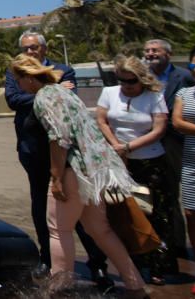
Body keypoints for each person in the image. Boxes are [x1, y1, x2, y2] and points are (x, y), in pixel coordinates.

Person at [9, 54, 147, 298]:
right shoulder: (63, 92)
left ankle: (59, 290)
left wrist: (57, 177)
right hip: (97, 168)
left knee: (58, 230)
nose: (17, 84)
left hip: (75, 170)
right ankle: (135, 284)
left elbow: (59, 138)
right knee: (100, 230)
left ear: (29, 78)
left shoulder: (44, 97)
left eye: (18, 79)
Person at [3, 31, 111, 289]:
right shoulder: (15, 72)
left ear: (44, 48)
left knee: (80, 206)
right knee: (41, 204)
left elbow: (69, 99)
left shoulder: (64, 69)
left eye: (34, 47)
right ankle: (46, 257)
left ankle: (97, 262)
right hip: (32, 148)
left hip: (67, 151)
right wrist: (52, 90)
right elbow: (13, 100)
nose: (31, 52)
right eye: (26, 48)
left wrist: (43, 92)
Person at [95, 55, 173, 283]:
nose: (126, 86)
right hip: (118, 162)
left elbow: (159, 129)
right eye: (122, 80)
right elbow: (101, 120)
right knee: (125, 212)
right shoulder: (109, 93)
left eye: (131, 81)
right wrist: (116, 146)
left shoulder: (154, 96)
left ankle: (158, 265)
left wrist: (129, 147)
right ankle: (133, 264)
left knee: (155, 212)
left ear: (141, 79)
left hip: (149, 161)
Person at [144, 38, 195, 264]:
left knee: (186, 193)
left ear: (168, 53)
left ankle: (186, 243)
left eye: (155, 50)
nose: (150, 54)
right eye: (147, 51)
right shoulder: (143, 78)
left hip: (178, 140)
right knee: (163, 193)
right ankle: (170, 243)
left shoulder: (184, 76)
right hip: (151, 141)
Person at [170, 41, 195, 294]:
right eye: (193, 65)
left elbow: (185, 123)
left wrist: (193, 127)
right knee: (194, 217)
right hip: (192, 162)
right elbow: (177, 123)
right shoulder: (185, 94)